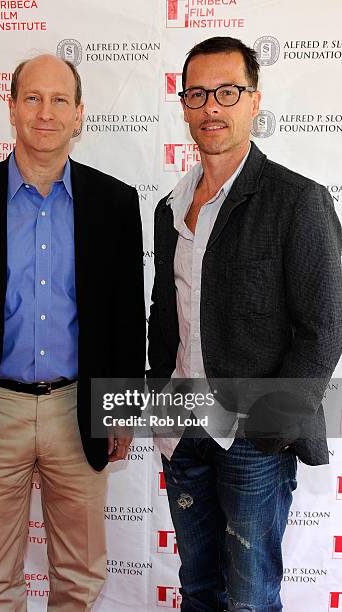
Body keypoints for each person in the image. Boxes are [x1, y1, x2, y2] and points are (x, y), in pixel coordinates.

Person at [0, 54, 145, 611]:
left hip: (78, 411)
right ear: (13, 109)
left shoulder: (115, 204)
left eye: (60, 100)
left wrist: (121, 409)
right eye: (33, 98)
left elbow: (125, 318)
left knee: (80, 577)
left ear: (79, 115)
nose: (46, 113)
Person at [148, 36, 342, 611]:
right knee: (197, 590)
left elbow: (325, 327)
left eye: (227, 92)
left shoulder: (298, 201)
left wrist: (268, 428)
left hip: (252, 442)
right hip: (182, 431)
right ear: (183, 105)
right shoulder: (169, 207)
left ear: (254, 101)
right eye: (199, 93)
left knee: (251, 598)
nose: (212, 106)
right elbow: (167, 314)